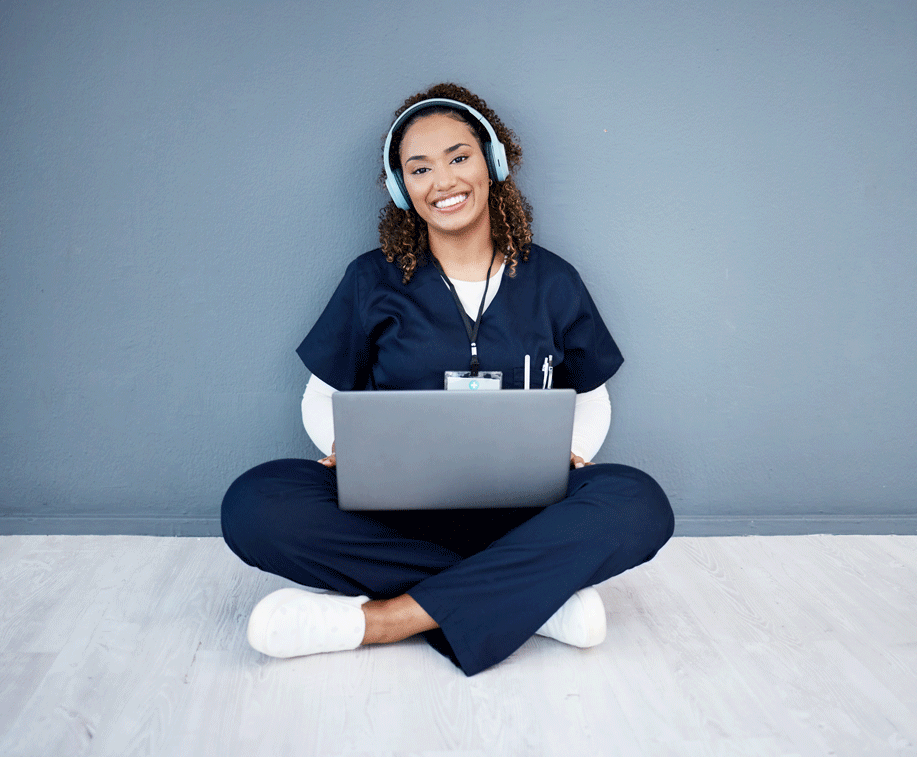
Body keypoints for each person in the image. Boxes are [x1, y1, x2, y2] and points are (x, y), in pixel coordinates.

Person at [221, 83, 674, 677]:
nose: (444, 181)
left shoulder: (554, 280)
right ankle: (532, 601)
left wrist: (576, 452)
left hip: (525, 511)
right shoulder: (372, 280)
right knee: (254, 504)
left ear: (492, 162)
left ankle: (384, 621)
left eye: (459, 157)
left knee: (639, 502)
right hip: (397, 514)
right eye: (419, 168)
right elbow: (321, 395)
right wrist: (340, 446)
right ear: (400, 188)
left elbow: (590, 392)